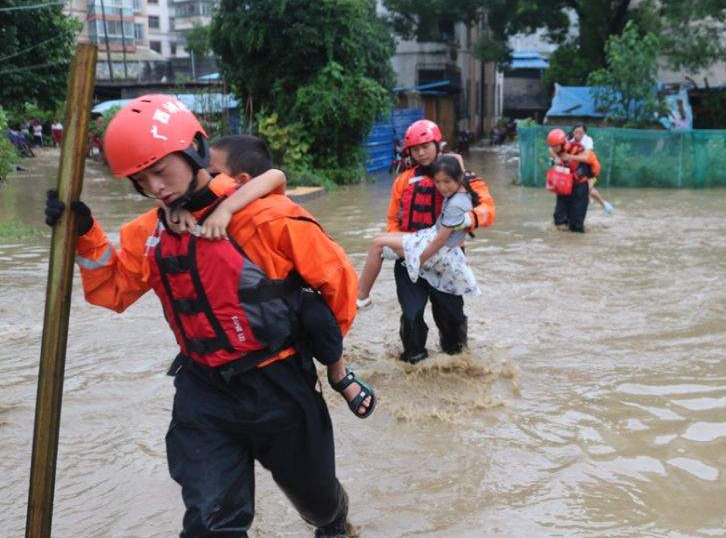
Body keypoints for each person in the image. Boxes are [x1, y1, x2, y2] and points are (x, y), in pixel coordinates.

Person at [43, 95, 363, 538]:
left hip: (279, 387)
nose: (156, 188)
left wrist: (318, 352)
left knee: (317, 498)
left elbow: (340, 290)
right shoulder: (149, 233)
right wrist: (82, 232)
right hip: (204, 394)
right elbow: (113, 289)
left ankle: (335, 520)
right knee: (210, 535)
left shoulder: (268, 219)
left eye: (161, 172)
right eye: (141, 181)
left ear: (193, 151)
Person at [164, 133, 376, 422]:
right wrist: (169, 208)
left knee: (317, 313)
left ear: (239, 181)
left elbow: (275, 175)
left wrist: (226, 207)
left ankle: (338, 373)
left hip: (284, 315)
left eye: (210, 174)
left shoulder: (269, 214)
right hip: (225, 344)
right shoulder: (182, 216)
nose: (201, 179)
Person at [385, 119, 495, 363]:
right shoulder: (403, 181)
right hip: (411, 256)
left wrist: (467, 218)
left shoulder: (463, 177)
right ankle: (414, 358)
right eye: (415, 149)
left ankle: (456, 358)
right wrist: (398, 247)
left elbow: (488, 210)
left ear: (438, 145)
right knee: (411, 314)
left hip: (447, 258)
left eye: (426, 146)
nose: (421, 153)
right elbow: (393, 220)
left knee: (451, 317)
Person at [357, 154, 479, 308]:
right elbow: (458, 160)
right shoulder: (463, 191)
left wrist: (418, 260)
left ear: (459, 177)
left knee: (377, 244)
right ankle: (360, 291)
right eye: (438, 182)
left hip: (438, 251)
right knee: (383, 238)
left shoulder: (455, 205)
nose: (442, 187)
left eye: (447, 181)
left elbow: (440, 240)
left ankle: (362, 297)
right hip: (435, 240)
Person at [548, 127, 599, 232]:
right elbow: (551, 150)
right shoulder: (556, 150)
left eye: (555, 146)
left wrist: (569, 165)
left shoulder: (578, 149)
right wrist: (556, 159)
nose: (554, 149)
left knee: (576, 227)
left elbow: (585, 169)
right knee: (559, 222)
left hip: (579, 189)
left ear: (562, 143)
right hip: (564, 188)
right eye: (552, 146)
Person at [570, 123, 614, 214]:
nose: (578, 135)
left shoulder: (588, 140)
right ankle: (603, 204)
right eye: (576, 132)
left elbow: (586, 155)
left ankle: (604, 204)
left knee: (587, 188)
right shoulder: (570, 142)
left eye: (581, 133)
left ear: (585, 133)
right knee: (585, 189)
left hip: (592, 168)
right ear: (573, 133)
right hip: (580, 169)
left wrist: (569, 156)